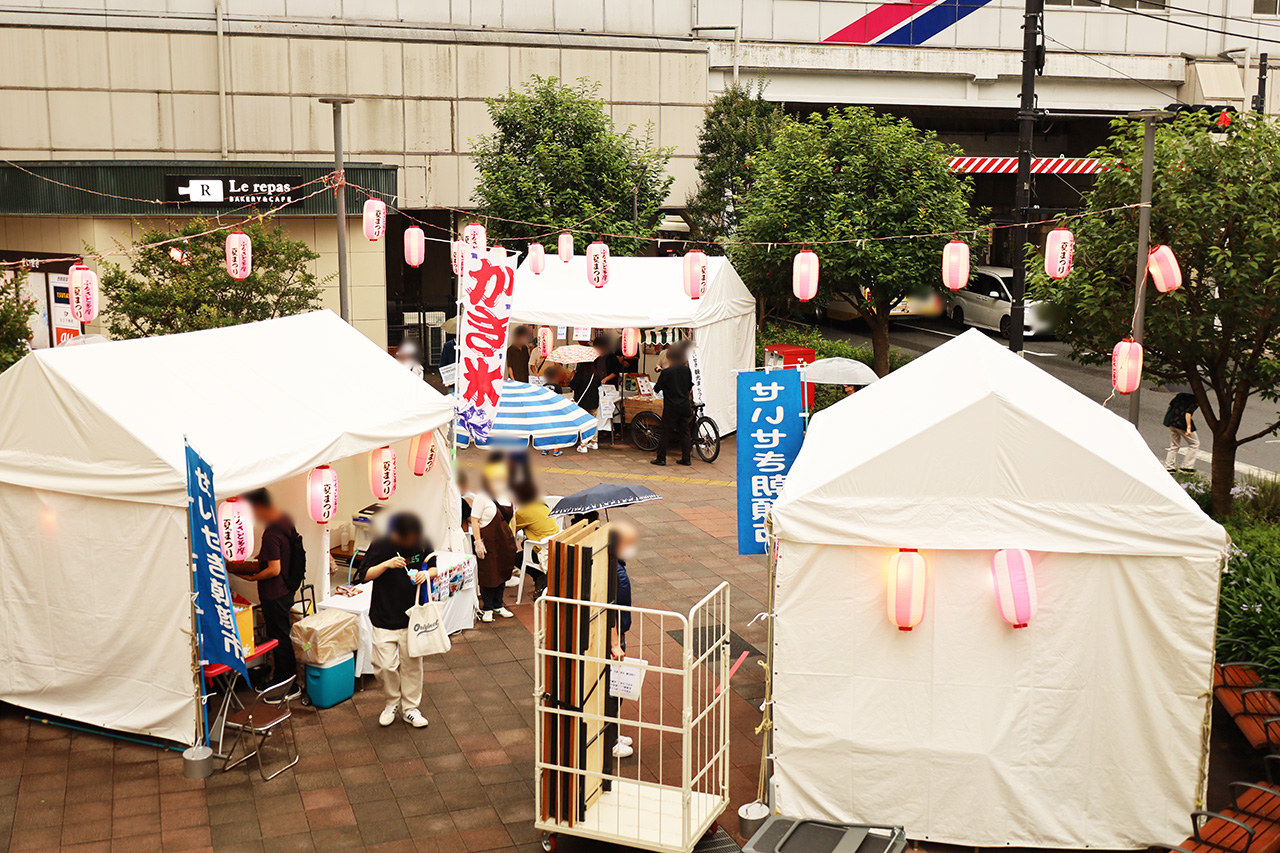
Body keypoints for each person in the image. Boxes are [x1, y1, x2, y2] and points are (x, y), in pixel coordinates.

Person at [355, 513, 437, 728]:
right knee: (384, 666)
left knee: (412, 665)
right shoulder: (381, 544)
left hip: (413, 615)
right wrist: (387, 564)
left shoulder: (423, 541)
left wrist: (426, 575)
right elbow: (363, 575)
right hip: (384, 614)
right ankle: (392, 702)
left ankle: (410, 708)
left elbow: (434, 566)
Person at [227, 488, 301, 700]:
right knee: (282, 635)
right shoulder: (284, 520)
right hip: (286, 589)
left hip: (274, 593)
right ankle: (287, 680)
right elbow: (279, 555)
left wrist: (252, 577)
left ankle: (286, 683)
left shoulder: (271, 533)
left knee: (279, 638)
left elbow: (274, 569)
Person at [468, 465, 517, 622]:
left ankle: (498, 604)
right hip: (488, 540)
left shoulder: (508, 495)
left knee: (502, 572)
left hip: (505, 541)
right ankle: (487, 607)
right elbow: (475, 520)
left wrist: (513, 536)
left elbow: (513, 517)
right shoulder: (482, 497)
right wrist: (478, 542)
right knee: (489, 573)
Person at [607, 521, 638, 759]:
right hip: (614, 637)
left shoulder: (615, 566)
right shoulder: (614, 572)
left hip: (617, 633)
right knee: (612, 689)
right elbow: (611, 609)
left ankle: (612, 732)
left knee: (614, 689)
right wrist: (614, 643)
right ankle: (609, 741)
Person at [510, 477, 558, 598]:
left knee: (517, 558)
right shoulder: (542, 505)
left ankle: (539, 577)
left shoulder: (524, 512)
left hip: (543, 550)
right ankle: (541, 579)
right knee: (523, 544)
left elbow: (510, 529)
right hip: (555, 545)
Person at [651, 340, 694, 467]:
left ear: (669, 358)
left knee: (665, 432)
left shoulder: (666, 373)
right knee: (685, 432)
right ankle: (686, 458)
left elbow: (657, 388)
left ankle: (661, 458)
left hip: (671, 407)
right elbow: (688, 387)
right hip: (684, 406)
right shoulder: (687, 371)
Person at [1164, 392, 1200, 473]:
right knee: (1194, 443)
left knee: (1174, 445)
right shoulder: (1195, 399)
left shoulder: (1180, 395)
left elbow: (1170, 405)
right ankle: (1187, 466)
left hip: (1172, 421)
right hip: (1182, 424)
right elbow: (1188, 413)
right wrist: (1189, 427)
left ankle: (1169, 466)